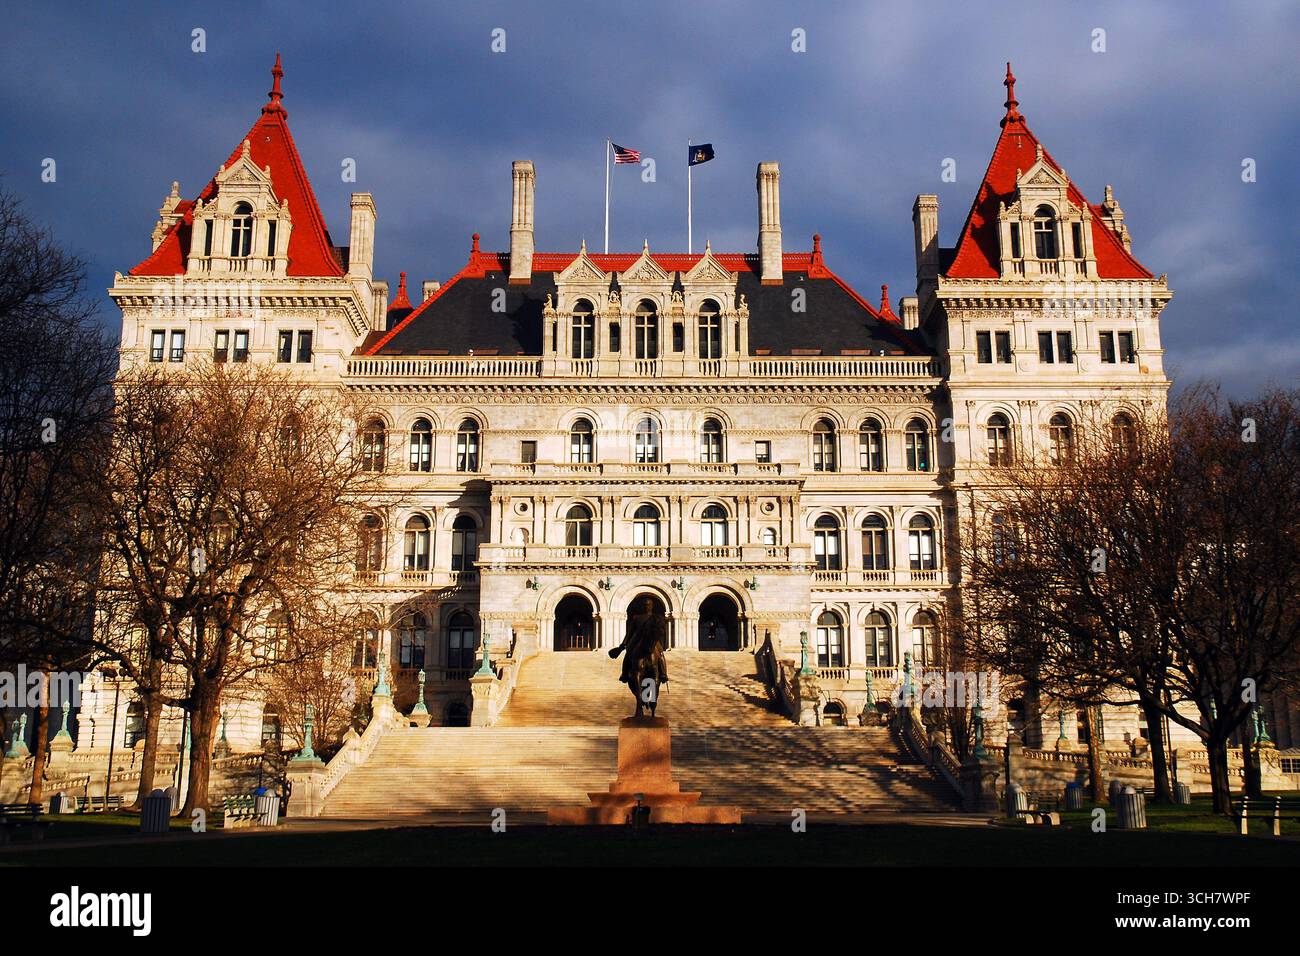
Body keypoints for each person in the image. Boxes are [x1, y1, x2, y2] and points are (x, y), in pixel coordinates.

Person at [609, 596, 668, 686]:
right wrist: (623, 644)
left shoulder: (656, 618)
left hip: (652, 641)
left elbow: (661, 631)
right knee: (628, 654)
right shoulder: (636, 618)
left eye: (648, 605)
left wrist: (659, 639)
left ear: (652, 606)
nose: (646, 606)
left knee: (660, 654)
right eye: (644, 605)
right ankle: (624, 674)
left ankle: (663, 674)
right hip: (637, 640)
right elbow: (630, 632)